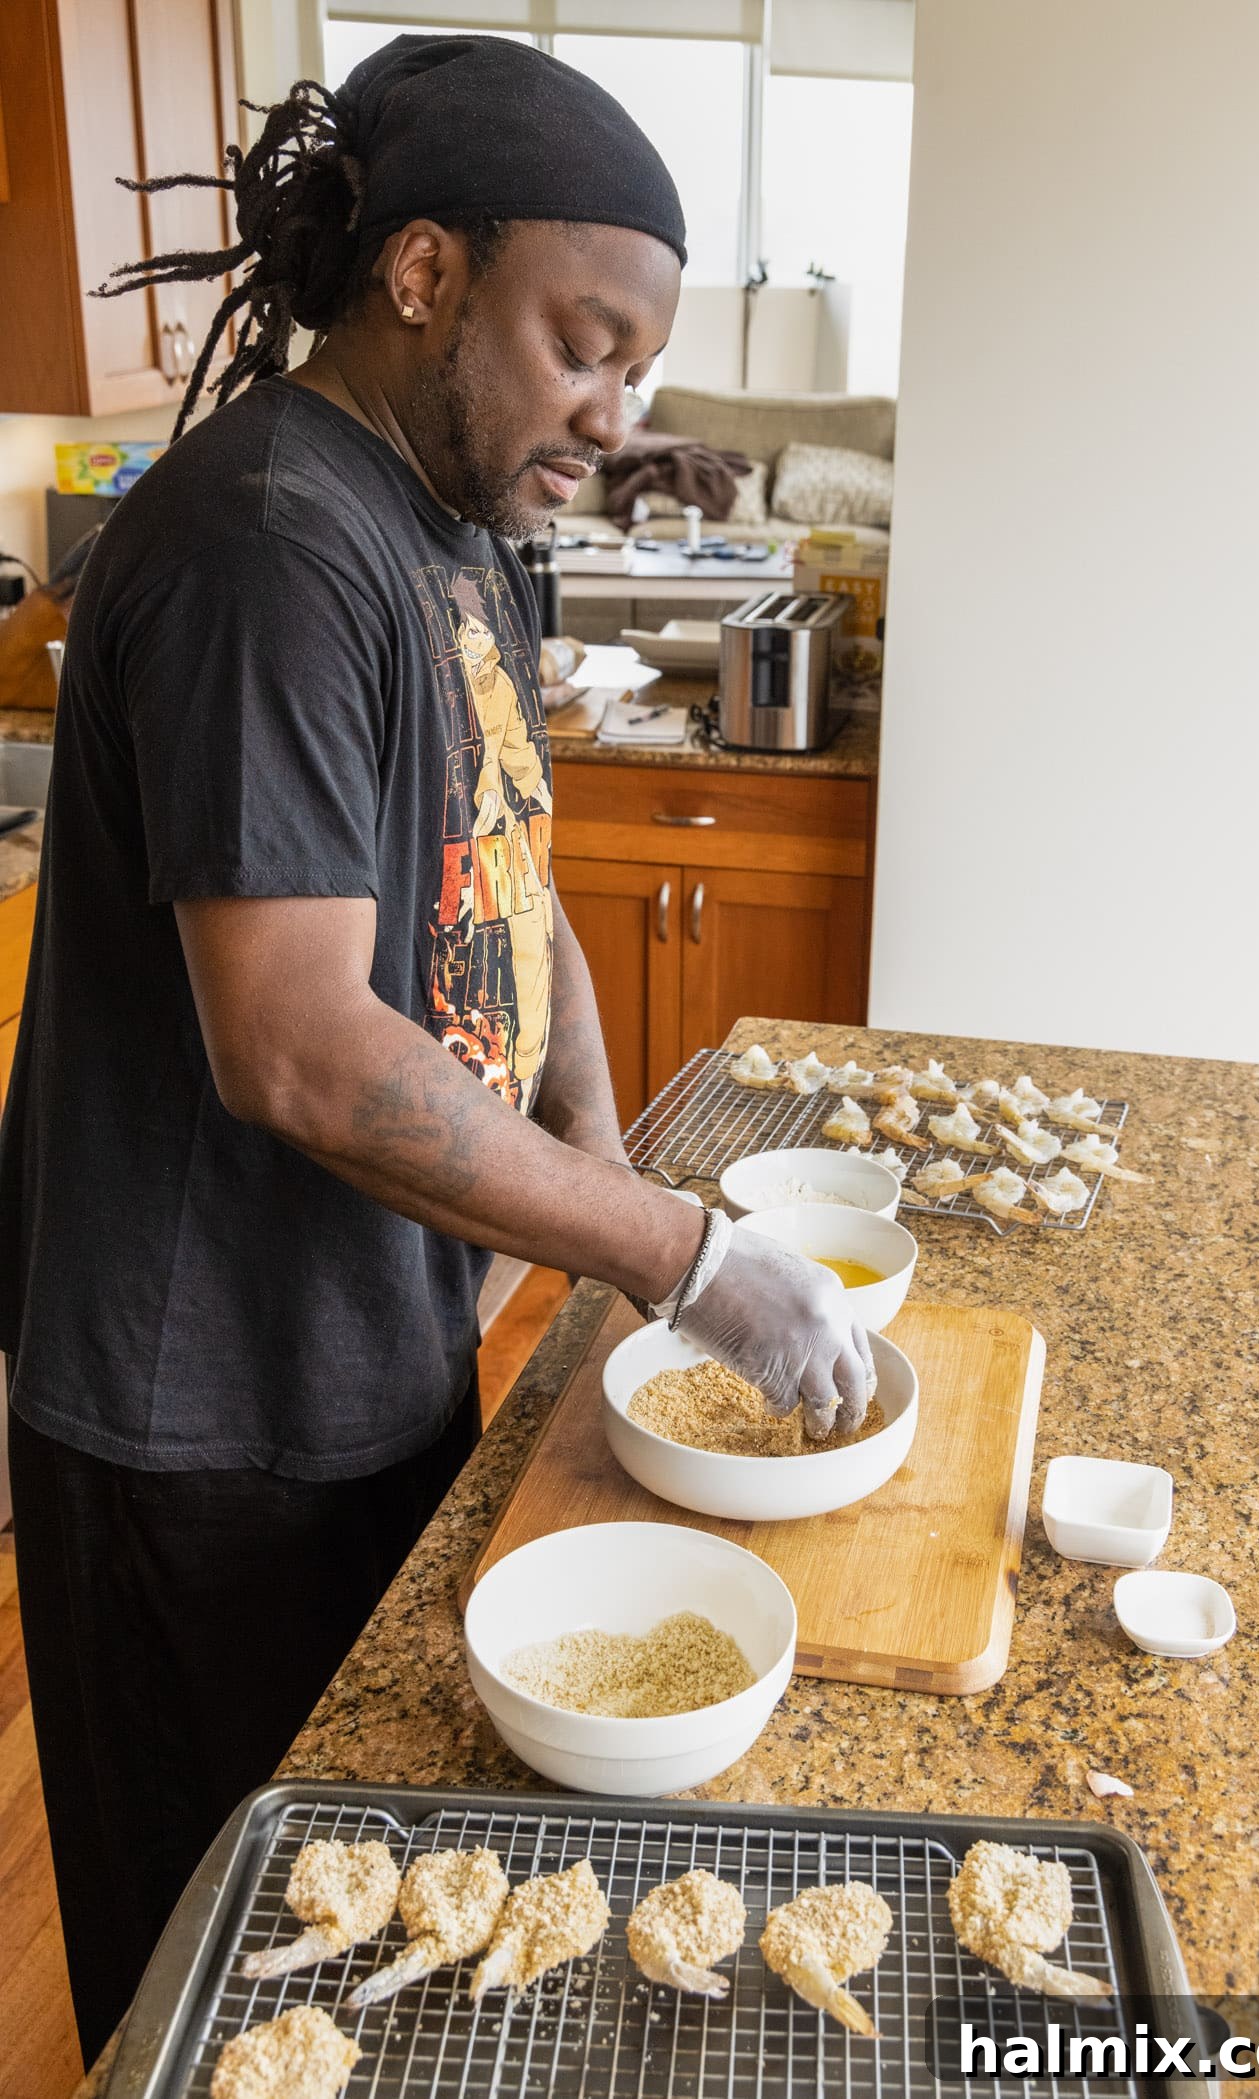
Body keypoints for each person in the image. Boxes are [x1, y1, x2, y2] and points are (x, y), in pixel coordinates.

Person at [0, 34, 875, 2065]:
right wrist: (675, 1256)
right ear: (420, 276)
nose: (614, 407)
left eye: (637, 364)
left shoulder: (453, 524)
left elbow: (515, 866)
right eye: (584, 341)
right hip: (199, 1416)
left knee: (367, 1939)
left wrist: (604, 1188)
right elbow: (299, 1051)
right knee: (226, 1982)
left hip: (364, 1345)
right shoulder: (263, 544)